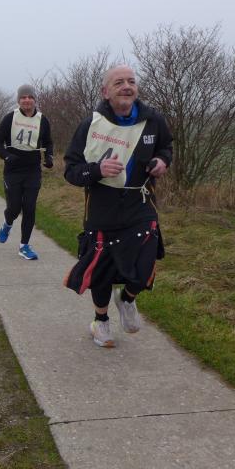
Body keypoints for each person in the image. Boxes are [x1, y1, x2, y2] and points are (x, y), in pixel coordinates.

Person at [63, 65, 173, 348]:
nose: (127, 86)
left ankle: (127, 298)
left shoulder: (153, 120)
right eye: (119, 82)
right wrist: (97, 170)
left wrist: (162, 161)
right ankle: (100, 321)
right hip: (102, 206)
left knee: (146, 259)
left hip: (140, 202)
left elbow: (166, 147)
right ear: (105, 92)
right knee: (102, 269)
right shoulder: (91, 125)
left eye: (131, 82)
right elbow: (71, 171)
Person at [0, 84, 54, 260]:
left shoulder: (42, 120)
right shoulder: (10, 118)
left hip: (32, 169)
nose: (27, 100)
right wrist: (6, 156)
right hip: (13, 170)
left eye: (30, 97)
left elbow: (48, 142)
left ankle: (24, 246)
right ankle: (7, 223)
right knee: (14, 208)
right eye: (23, 97)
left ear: (35, 100)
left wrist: (49, 157)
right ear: (19, 100)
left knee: (29, 207)